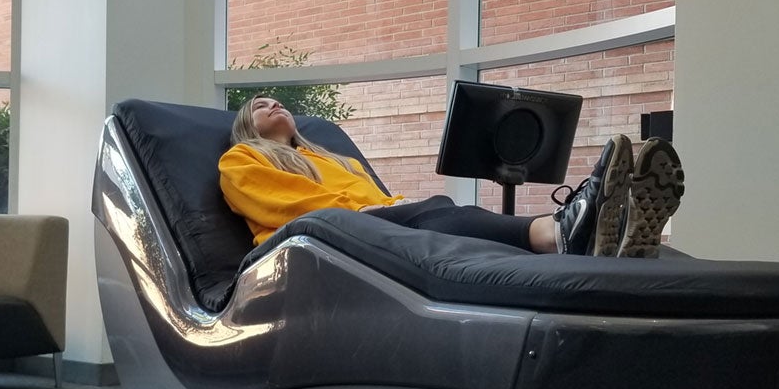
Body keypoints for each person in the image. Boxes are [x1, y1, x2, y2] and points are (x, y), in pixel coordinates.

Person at [218, 96, 684, 258]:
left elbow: (381, 199)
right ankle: (567, 229)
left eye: (276, 101)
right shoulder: (240, 159)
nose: (272, 104)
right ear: (246, 126)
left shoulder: (337, 161)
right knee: (435, 213)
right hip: (308, 243)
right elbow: (281, 206)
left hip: (362, 226)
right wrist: (378, 211)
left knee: (438, 217)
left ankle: (593, 232)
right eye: (259, 106)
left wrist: (389, 210)